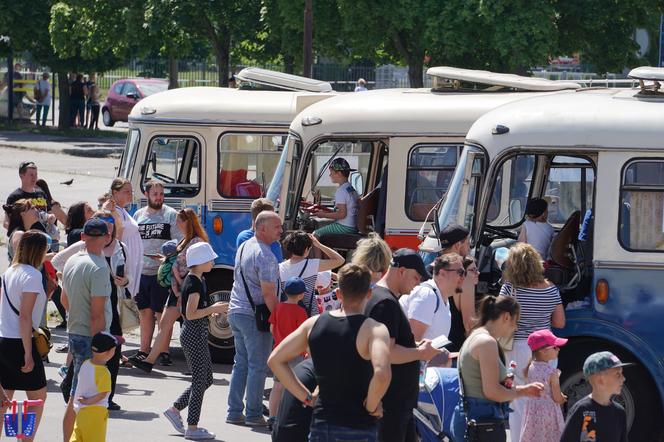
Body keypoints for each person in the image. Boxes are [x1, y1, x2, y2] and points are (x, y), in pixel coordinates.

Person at [268, 263, 392, 442]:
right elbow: (382, 375)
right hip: (358, 424)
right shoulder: (375, 330)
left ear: (339, 293)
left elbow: (275, 360)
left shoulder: (314, 324)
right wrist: (372, 406)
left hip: (321, 422)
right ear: (369, 294)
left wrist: (306, 397)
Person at [364, 248, 441, 442]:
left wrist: (414, 346)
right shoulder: (386, 303)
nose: (417, 285)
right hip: (392, 401)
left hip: (395, 400)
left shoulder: (380, 297)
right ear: (401, 271)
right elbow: (386, 353)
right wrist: (420, 352)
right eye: (416, 278)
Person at [449, 295, 545, 442]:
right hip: (482, 423)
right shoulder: (487, 342)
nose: (516, 327)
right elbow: (492, 392)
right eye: (516, 322)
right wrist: (524, 391)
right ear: (506, 317)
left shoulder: (476, 336)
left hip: (473, 419)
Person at [498, 242, 565, 442]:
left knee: (518, 400)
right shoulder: (551, 289)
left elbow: (498, 318)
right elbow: (560, 322)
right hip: (546, 350)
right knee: (545, 399)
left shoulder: (509, 288)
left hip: (516, 348)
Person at [130, 208, 208, 372]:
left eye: (180, 221)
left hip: (186, 288)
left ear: (188, 221)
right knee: (165, 324)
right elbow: (178, 261)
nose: (177, 224)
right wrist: (165, 260)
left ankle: (197, 366)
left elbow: (193, 266)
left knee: (191, 328)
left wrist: (181, 290)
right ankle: (149, 361)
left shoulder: (196, 241)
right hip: (177, 288)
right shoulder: (186, 239)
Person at [163, 242, 228, 440]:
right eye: (210, 259)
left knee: (206, 379)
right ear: (200, 262)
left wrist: (211, 310)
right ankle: (192, 427)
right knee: (200, 380)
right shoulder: (194, 283)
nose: (213, 261)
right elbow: (190, 314)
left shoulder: (198, 279)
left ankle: (175, 410)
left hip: (196, 333)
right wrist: (214, 309)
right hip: (193, 333)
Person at [227, 211, 282, 427]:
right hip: (254, 316)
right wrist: (279, 318)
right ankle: (253, 414)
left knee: (240, 363)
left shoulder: (244, 245)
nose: (280, 230)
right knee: (257, 366)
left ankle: (234, 412)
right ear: (261, 228)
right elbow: (269, 294)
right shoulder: (265, 254)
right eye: (276, 227)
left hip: (236, 311)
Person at [61, 218, 113, 441]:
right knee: (81, 398)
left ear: (82, 237)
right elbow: (97, 313)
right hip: (90, 336)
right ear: (106, 238)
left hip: (75, 331)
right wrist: (100, 346)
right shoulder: (99, 267)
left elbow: (64, 299)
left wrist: (76, 316)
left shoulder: (73, 260)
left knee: (76, 394)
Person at [0, 231, 49, 442]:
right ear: (38, 251)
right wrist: (29, 353)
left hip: (3, 338)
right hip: (21, 342)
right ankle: (24, 439)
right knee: (37, 398)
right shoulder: (33, 275)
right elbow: (25, 317)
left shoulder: (9, 272)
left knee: (4, 399)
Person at [133, 179, 182, 360]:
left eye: (161, 194)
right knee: (144, 312)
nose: (159, 198)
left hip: (161, 273)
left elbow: (179, 242)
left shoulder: (170, 215)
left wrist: (168, 259)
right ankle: (144, 350)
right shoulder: (138, 215)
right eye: (155, 194)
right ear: (146, 195)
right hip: (142, 272)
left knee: (162, 314)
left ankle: (163, 351)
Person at [560, 351, 631, 442]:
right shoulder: (582, 409)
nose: (623, 378)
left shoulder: (619, 412)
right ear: (600, 380)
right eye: (618, 374)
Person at [267, 277, 310, 424]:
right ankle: (288, 418)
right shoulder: (300, 311)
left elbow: (271, 328)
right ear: (300, 295)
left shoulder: (278, 307)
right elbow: (303, 335)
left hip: (279, 352)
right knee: (293, 387)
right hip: (295, 353)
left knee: (277, 387)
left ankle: (272, 417)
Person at [399, 253, 465, 342]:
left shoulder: (442, 298)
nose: (463, 277)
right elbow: (412, 342)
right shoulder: (427, 295)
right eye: (460, 272)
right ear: (442, 273)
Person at [279, 231, 344, 316]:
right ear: (306, 249)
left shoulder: (280, 267)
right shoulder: (311, 265)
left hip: (287, 314)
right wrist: (318, 245)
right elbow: (340, 260)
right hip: (309, 314)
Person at [520, 329, 568, 442]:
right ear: (543, 351)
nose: (558, 349)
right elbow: (556, 397)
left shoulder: (529, 368)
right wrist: (563, 398)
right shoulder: (552, 373)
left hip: (532, 412)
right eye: (555, 347)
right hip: (548, 413)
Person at [70, 332, 117, 442]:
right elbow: (103, 394)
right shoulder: (104, 372)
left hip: (80, 411)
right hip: (96, 412)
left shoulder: (86, 363)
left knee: (77, 437)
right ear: (109, 352)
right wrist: (88, 401)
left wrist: (84, 403)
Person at [5, 160, 67, 228]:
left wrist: (51, 218)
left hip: (43, 235)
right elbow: (6, 223)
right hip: (26, 236)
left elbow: (49, 213)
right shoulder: (15, 197)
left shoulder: (41, 194)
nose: (34, 178)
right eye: (31, 175)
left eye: (36, 174)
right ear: (21, 176)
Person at [108, 178, 142, 297]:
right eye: (126, 191)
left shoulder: (122, 211)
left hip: (132, 260)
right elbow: (117, 237)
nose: (130, 194)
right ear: (115, 192)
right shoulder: (113, 212)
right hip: (124, 261)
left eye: (131, 191)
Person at [271, 358, 317, 442]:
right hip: (296, 433)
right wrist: (308, 399)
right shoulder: (324, 371)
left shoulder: (304, 366)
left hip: (280, 432)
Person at [313, 158, 360, 238]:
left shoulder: (341, 191)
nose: (330, 175)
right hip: (353, 226)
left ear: (339, 173)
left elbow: (342, 214)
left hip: (344, 227)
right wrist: (325, 211)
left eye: (331, 172)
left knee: (315, 235)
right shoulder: (350, 189)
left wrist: (323, 215)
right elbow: (344, 210)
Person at [447, 256, 479, 352]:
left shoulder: (449, 287)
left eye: (477, 269)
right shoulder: (466, 284)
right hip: (458, 349)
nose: (477, 273)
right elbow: (469, 325)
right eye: (472, 270)